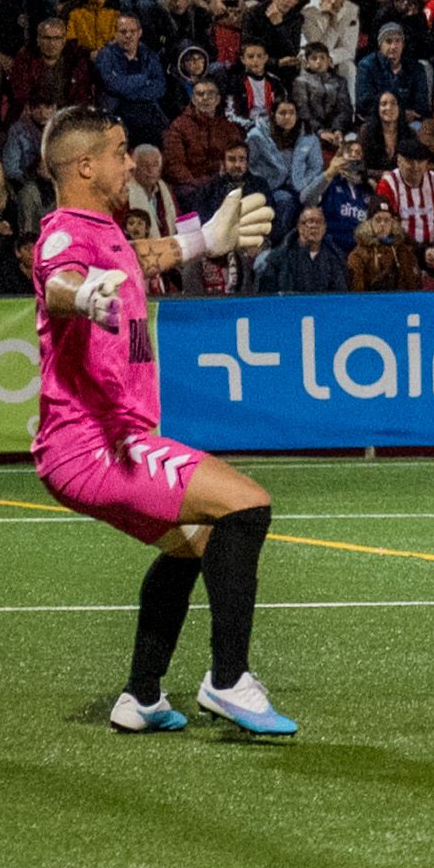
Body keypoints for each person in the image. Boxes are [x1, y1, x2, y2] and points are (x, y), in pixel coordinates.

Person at [27, 109, 295, 736]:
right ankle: (228, 680)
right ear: (86, 166)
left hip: (103, 444)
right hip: (95, 446)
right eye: (120, 153)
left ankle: (141, 696)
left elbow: (138, 254)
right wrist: (80, 296)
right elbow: (59, 277)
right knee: (246, 508)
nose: (132, 164)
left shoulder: (102, 230)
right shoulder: (66, 235)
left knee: (192, 546)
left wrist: (205, 241)